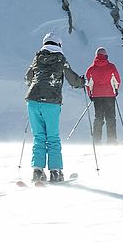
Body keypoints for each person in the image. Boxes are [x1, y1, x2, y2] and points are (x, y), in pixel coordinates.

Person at [25, 33, 85, 182]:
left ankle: (37, 171)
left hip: (32, 100)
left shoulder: (37, 58)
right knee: (52, 137)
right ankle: (55, 172)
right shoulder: (60, 59)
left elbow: (28, 78)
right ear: (59, 45)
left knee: (39, 136)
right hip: (51, 101)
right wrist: (83, 82)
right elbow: (73, 80)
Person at [85, 47, 121, 144]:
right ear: (105, 55)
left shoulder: (91, 69)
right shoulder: (111, 67)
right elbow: (116, 80)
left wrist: (90, 94)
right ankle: (112, 140)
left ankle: (96, 140)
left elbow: (89, 83)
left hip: (97, 96)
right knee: (111, 117)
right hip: (109, 95)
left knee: (98, 118)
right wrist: (116, 90)